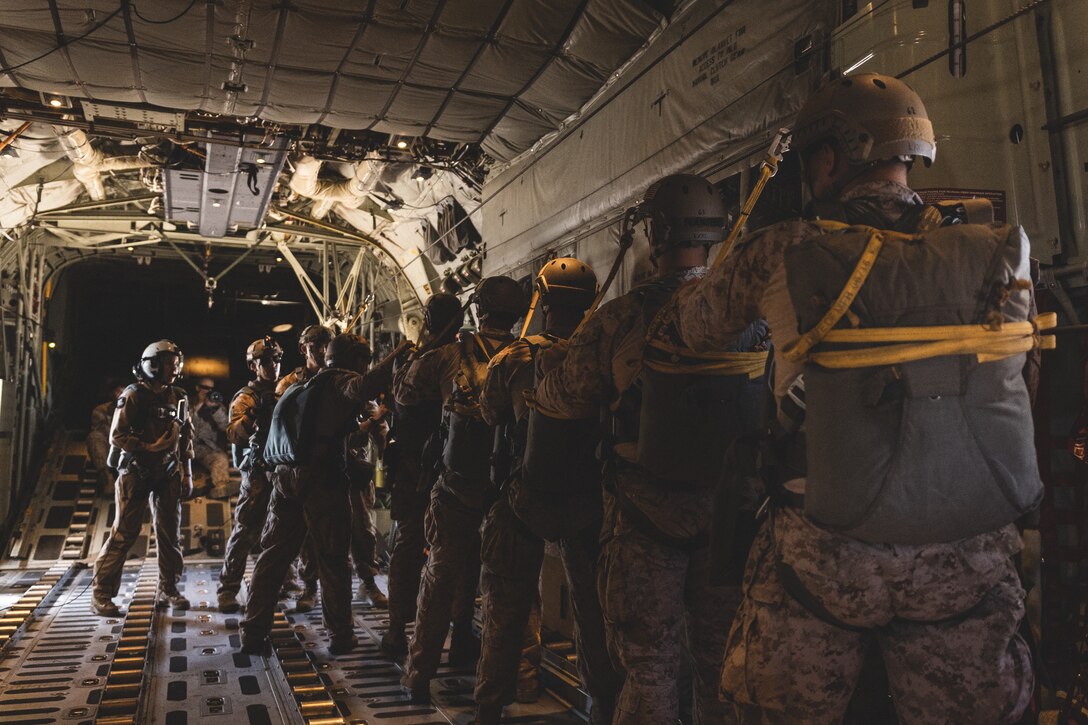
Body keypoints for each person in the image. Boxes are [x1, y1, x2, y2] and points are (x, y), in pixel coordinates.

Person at [667, 73, 1036, 723]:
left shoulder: (782, 250)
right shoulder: (993, 251)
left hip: (825, 557)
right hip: (965, 555)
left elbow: (695, 330)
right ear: (910, 157)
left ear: (832, 157)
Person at [533, 175, 765, 724]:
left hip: (644, 521)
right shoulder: (753, 319)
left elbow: (561, 400)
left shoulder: (617, 320)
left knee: (650, 670)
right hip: (731, 520)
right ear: (716, 231)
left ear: (655, 234)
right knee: (721, 666)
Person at [474, 258, 623, 725]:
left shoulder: (516, 356)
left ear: (542, 299)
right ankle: (603, 705)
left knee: (506, 606)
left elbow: (489, 414)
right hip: (586, 499)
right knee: (594, 609)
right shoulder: (605, 351)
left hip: (525, 495)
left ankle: (488, 705)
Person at [394, 276, 526, 702]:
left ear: (479, 309)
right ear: (518, 313)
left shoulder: (451, 354)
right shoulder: (531, 354)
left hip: (456, 486)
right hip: (508, 493)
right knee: (505, 591)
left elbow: (405, 394)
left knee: (438, 580)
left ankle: (418, 677)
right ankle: (500, 690)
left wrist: (431, 339)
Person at [240, 333, 392, 655]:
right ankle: (340, 635)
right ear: (356, 361)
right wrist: (397, 356)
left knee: (272, 557)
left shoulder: (300, 386)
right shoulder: (339, 382)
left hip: (285, 479)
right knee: (333, 560)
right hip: (322, 481)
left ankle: (253, 632)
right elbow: (362, 388)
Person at [381, 292, 463, 657]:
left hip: (418, 473)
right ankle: (461, 633)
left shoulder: (424, 363)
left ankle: (397, 629)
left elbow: (400, 397)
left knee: (408, 548)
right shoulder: (473, 358)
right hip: (460, 472)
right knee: (460, 552)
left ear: (429, 322)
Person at [92, 340, 194, 617]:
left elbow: (185, 436)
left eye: (176, 365)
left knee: (169, 535)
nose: (174, 370)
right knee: (124, 534)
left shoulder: (179, 396)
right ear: (153, 365)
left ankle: (168, 588)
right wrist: (149, 447)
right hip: (136, 471)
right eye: (169, 365)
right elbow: (117, 436)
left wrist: (187, 473)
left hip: (169, 472)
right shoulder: (134, 394)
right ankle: (101, 593)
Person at [217, 337, 282, 614]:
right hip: (257, 472)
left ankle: (286, 583)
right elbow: (233, 433)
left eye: (277, 360)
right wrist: (253, 415)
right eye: (267, 361)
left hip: (282, 470)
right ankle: (228, 588)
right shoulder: (247, 397)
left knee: (282, 531)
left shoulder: (284, 391)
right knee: (245, 530)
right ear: (254, 366)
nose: (273, 366)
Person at [275, 323, 334, 611]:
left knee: (353, 534)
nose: (322, 350)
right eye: (315, 344)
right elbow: (278, 425)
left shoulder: (338, 378)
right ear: (304, 348)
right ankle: (309, 588)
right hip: (302, 469)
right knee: (307, 537)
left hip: (335, 468)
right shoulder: (289, 384)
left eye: (326, 344)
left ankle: (364, 584)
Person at [345, 399, 390, 608]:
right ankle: (310, 586)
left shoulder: (360, 398)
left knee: (363, 531)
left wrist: (375, 426)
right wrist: (369, 424)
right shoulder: (316, 393)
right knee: (319, 538)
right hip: (323, 475)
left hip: (354, 475)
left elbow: (381, 433)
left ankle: (368, 583)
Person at [190, 376, 231, 498]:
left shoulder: (217, 406)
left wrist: (214, 410)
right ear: (197, 388)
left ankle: (221, 489)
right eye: (205, 388)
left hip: (206, 449)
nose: (208, 391)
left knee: (220, 460)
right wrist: (200, 405)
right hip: (185, 448)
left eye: (211, 389)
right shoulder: (187, 403)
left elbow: (225, 427)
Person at [88, 379, 124, 494]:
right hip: (113, 448)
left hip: (132, 449)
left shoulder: (137, 408)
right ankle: (107, 479)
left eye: (122, 390)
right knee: (94, 437)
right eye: (117, 391)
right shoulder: (101, 410)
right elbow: (101, 432)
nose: (119, 394)